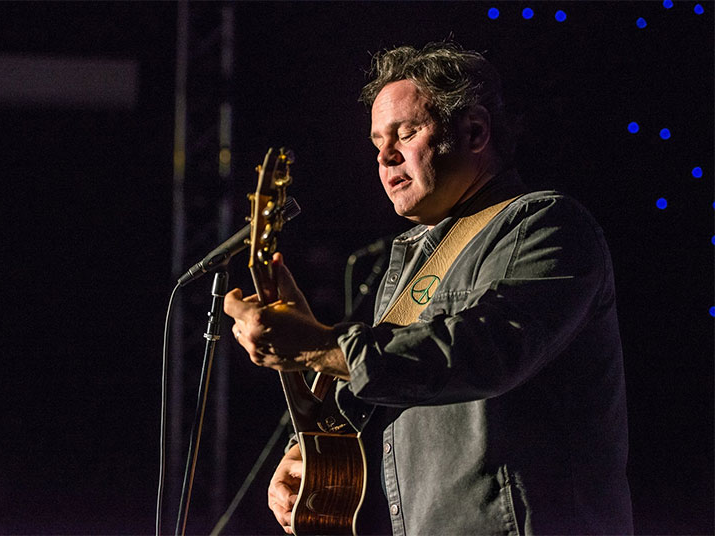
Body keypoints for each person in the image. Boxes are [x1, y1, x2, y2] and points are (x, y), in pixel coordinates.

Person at [224, 42, 632, 535]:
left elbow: (485, 349)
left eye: (406, 133)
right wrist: (315, 451)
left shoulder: (548, 225)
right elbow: (402, 383)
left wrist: (320, 347)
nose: (385, 156)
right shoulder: (414, 262)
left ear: (475, 131)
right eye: (377, 142)